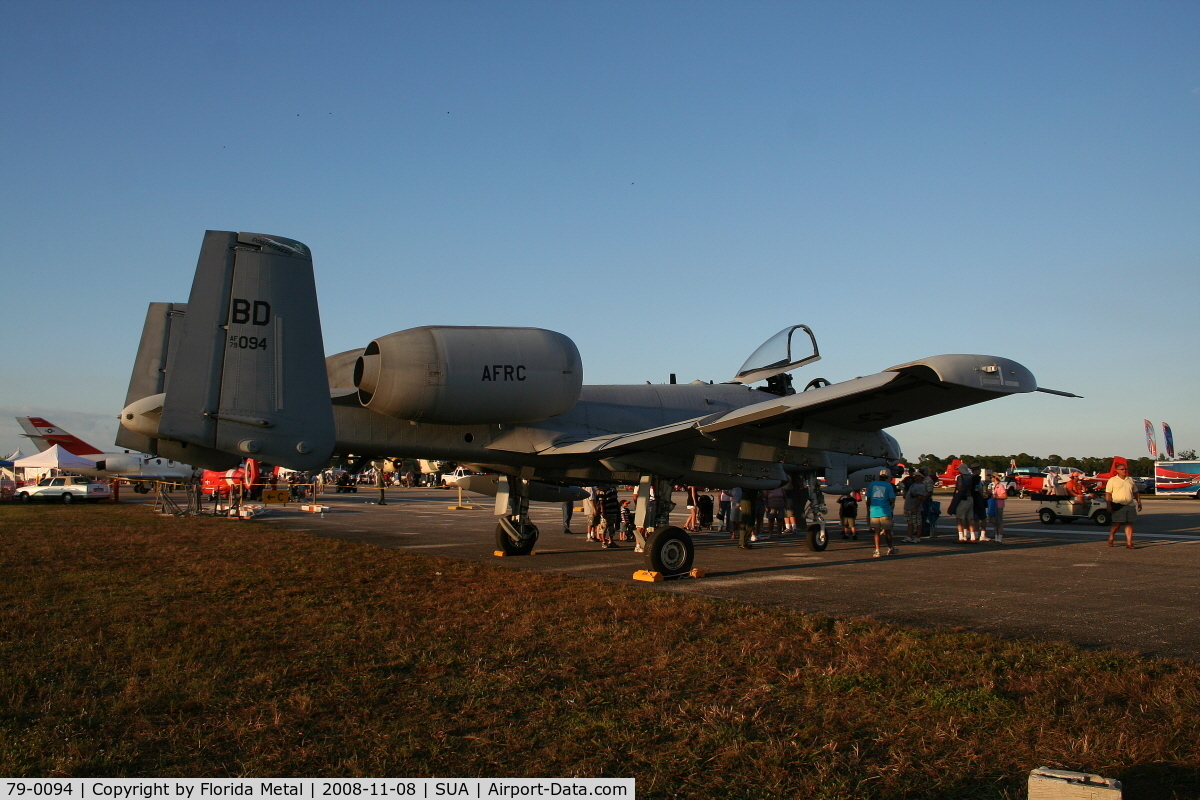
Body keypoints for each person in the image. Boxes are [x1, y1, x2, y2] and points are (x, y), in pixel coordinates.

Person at [1105, 462, 1141, 549]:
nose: (1124, 471)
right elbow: (1108, 493)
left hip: (1130, 505)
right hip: (1118, 505)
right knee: (1117, 523)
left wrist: (1139, 502)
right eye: (1122, 469)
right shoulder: (1112, 480)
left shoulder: (1130, 479)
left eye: (1126, 469)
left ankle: (1129, 543)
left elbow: (1135, 492)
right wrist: (1108, 504)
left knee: (1129, 523)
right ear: (1117, 471)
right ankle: (1112, 536)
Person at [866, 469, 897, 557]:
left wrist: (869, 508)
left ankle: (877, 550)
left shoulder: (872, 485)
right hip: (885, 510)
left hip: (874, 511)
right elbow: (892, 499)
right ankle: (890, 548)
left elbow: (868, 499)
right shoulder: (888, 486)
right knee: (887, 531)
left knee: (876, 532)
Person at [949, 464, 977, 541]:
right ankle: (973, 536)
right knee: (970, 519)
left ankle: (961, 537)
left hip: (963, 499)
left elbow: (960, 488)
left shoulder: (960, 477)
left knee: (959, 519)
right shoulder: (970, 477)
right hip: (970, 497)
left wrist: (957, 486)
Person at [901, 475, 928, 543]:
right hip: (908, 507)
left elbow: (920, 498)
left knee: (918, 523)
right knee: (910, 522)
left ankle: (918, 537)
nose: (915, 477)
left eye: (917, 476)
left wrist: (915, 508)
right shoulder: (914, 484)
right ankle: (909, 536)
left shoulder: (921, 486)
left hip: (915, 508)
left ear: (920, 477)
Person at [986, 472, 1009, 543]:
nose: (990, 479)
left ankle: (1000, 538)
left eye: (991, 477)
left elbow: (1005, 496)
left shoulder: (1000, 486)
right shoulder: (992, 486)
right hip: (993, 505)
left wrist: (996, 497)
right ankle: (996, 537)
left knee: (999, 522)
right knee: (994, 522)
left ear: (995, 478)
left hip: (999, 505)